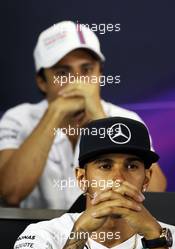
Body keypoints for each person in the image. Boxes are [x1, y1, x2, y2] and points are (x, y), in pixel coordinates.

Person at [0, 21, 166, 209]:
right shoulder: (17, 118)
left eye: (86, 70)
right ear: (42, 81)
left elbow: (155, 192)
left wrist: (99, 117)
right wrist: (54, 114)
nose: (77, 82)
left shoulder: (127, 119)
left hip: (104, 235)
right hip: (36, 233)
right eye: (63, 72)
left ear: (100, 73)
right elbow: (10, 193)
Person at [12, 117, 175, 249]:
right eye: (105, 166)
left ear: (146, 179)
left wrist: (155, 239)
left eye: (131, 166)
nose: (118, 179)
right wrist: (79, 235)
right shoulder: (43, 236)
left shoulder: (170, 237)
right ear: (82, 178)